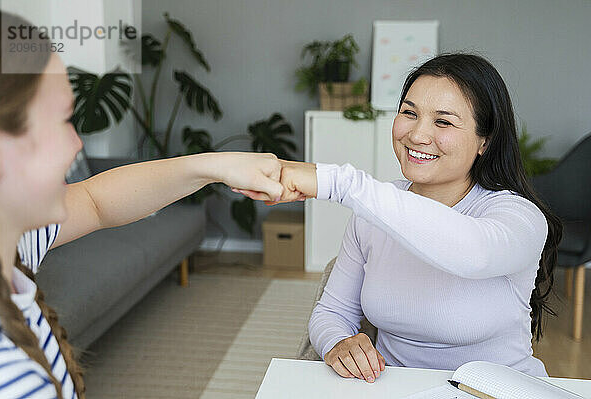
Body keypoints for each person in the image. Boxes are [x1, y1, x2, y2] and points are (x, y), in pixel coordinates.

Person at [0, 8, 283, 398]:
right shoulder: (10, 379)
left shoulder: (12, 242)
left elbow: (97, 200)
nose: (77, 144)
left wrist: (218, 165)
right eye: (63, 121)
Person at [238, 53, 562, 383]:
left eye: (443, 122)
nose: (417, 135)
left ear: (485, 141)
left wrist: (338, 182)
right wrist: (339, 342)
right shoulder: (374, 213)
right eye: (409, 113)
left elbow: (473, 253)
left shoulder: (519, 217)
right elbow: (332, 312)